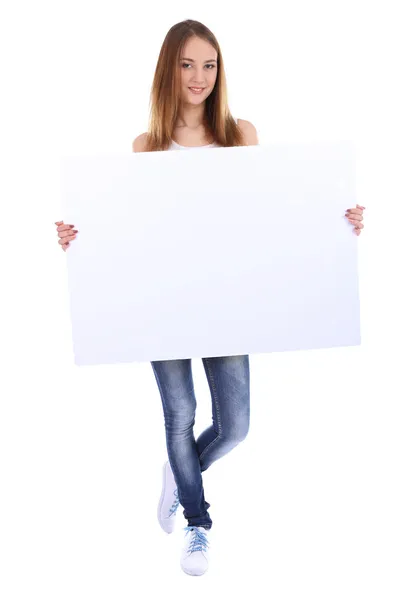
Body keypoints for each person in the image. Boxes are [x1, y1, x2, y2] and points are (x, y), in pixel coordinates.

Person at [54, 19, 366, 577]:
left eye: (209, 64)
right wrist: (81, 238)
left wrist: (335, 221)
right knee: (180, 416)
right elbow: (133, 228)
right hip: (164, 301)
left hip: (227, 303)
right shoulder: (145, 145)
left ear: (219, 72)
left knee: (236, 425)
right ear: (168, 69)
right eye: (187, 63)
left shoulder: (240, 132)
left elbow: (273, 212)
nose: (199, 76)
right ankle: (197, 521)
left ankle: (180, 473)